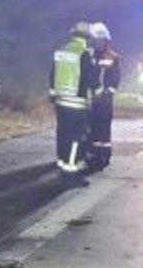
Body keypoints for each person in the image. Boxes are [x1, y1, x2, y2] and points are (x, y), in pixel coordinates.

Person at [50, 22, 95, 172]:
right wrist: (95, 93)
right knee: (76, 135)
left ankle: (62, 161)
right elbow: (89, 78)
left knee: (63, 132)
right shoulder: (84, 53)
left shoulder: (61, 51)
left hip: (60, 101)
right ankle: (72, 166)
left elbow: (52, 74)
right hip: (76, 102)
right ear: (87, 38)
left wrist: (52, 95)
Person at [84, 22, 122, 172]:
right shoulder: (88, 55)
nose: (98, 43)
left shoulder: (112, 57)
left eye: (100, 40)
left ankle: (104, 155)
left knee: (104, 130)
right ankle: (92, 154)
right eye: (96, 40)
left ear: (106, 40)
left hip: (105, 101)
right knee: (91, 128)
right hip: (91, 99)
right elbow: (87, 75)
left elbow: (115, 77)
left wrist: (108, 92)